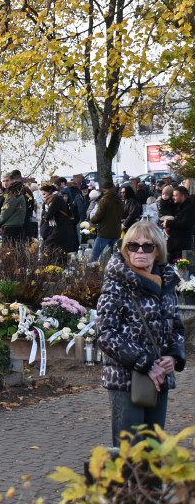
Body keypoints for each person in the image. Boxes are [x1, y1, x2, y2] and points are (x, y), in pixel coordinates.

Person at [97, 222, 185, 446]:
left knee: (155, 447)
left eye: (147, 247)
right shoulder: (117, 283)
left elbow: (177, 327)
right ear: (125, 249)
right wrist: (146, 363)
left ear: (158, 251)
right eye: (133, 246)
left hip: (160, 376)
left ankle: (150, 483)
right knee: (131, 450)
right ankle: (131, 483)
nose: (139, 251)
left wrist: (173, 356)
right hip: (126, 378)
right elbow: (106, 333)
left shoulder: (167, 283)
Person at [39, 183, 78, 263]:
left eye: (44, 193)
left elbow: (48, 215)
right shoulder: (54, 199)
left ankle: (48, 264)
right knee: (58, 249)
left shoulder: (56, 199)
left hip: (61, 228)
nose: (43, 196)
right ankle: (58, 265)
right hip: (60, 228)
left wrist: (45, 216)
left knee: (47, 245)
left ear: (50, 191)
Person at [90, 180, 125, 261]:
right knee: (118, 257)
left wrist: (92, 220)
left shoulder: (104, 200)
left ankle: (91, 273)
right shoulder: (119, 200)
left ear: (104, 190)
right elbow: (122, 214)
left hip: (104, 233)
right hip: (116, 232)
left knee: (94, 257)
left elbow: (98, 216)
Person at [163, 185, 194, 262]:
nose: (173, 197)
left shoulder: (189, 208)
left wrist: (168, 223)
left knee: (180, 268)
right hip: (175, 244)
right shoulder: (180, 206)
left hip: (181, 245)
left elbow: (184, 224)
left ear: (182, 196)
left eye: (175, 195)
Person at [0, 176, 27, 246]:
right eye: (3, 181)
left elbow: (6, 212)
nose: (5, 183)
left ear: (12, 182)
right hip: (15, 226)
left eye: (7, 181)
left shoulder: (13, 194)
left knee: (8, 253)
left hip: (11, 228)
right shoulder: (15, 192)